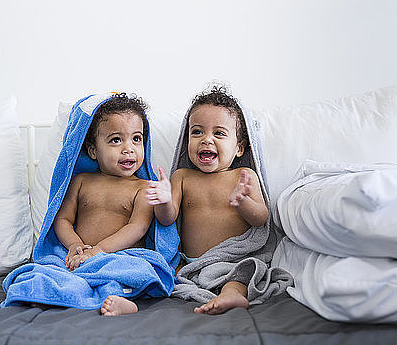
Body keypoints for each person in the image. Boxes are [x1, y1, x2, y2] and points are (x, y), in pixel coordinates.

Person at [146, 85, 269, 315]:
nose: (206, 140)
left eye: (219, 133)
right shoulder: (182, 177)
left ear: (239, 148)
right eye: (197, 132)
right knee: (159, 272)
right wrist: (163, 200)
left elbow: (261, 219)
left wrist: (244, 203)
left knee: (246, 271)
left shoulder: (243, 177)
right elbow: (167, 219)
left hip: (233, 259)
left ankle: (232, 294)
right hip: (190, 264)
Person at [53, 93, 154, 316]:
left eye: (136, 139)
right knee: (43, 272)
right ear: (92, 150)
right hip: (78, 257)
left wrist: (99, 251)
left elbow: (137, 228)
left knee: (136, 270)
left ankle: (122, 299)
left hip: (119, 256)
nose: (129, 148)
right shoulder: (81, 182)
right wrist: (75, 245)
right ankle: (52, 292)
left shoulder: (143, 187)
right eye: (116, 140)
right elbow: (62, 219)